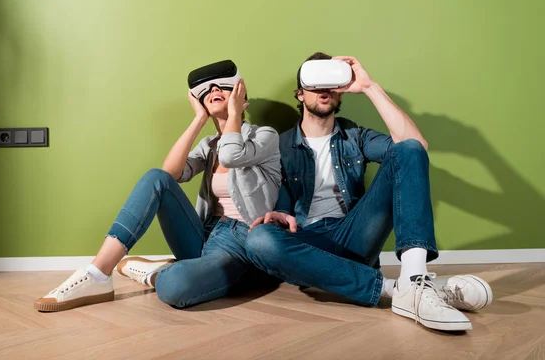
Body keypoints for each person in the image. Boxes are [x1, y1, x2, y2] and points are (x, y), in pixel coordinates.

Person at [245, 52, 493, 331]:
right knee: (258, 240)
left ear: (341, 94)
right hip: (311, 244)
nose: (324, 89)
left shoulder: (355, 136)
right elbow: (284, 208)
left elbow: (416, 147)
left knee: (408, 148)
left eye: (332, 82)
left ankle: (413, 278)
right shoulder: (278, 145)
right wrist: (280, 213)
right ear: (301, 93)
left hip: (356, 234)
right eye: (316, 82)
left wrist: (369, 87)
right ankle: (401, 289)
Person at [35, 60, 281, 311]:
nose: (214, 90)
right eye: (207, 90)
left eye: (222, 87)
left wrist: (235, 115)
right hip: (204, 234)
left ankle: (162, 272)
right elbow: (170, 173)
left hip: (240, 242)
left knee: (173, 286)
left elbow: (231, 155)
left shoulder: (264, 136)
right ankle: (97, 273)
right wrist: (198, 120)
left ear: (240, 95)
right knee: (156, 177)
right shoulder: (209, 145)